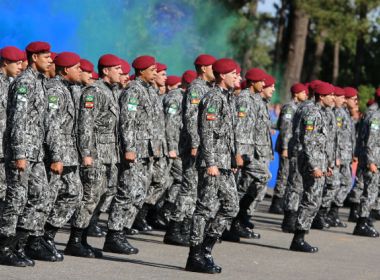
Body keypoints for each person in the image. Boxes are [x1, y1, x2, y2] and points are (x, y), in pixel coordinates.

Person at [0, 41, 62, 267]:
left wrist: (52, 155)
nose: (50, 59)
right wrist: (19, 153)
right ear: (34, 57)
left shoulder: (41, 84)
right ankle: (4, 246)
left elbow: (46, 123)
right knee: (16, 198)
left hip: (37, 152)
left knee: (41, 196)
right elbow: (17, 120)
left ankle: (19, 243)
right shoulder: (24, 83)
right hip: (23, 151)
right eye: (45, 56)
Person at [185, 58, 238, 274]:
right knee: (205, 208)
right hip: (212, 163)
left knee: (231, 206)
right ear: (223, 76)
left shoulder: (226, 97)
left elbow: (226, 133)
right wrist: (211, 162)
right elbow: (206, 131)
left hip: (224, 162)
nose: (237, 78)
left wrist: (232, 158)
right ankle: (194, 255)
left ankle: (206, 247)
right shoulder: (213, 98)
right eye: (234, 74)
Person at [67, 54, 122, 258]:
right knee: (89, 196)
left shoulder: (109, 91)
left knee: (100, 195)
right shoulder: (94, 91)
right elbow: (85, 124)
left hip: (108, 154)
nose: (121, 72)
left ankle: (83, 239)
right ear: (106, 71)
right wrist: (86, 153)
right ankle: (75, 240)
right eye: (117, 69)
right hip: (96, 153)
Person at [104, 55, 157, 254]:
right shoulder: (133, 91)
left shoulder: (148, 90)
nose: (154, 72)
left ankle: (123, 230)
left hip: (146, 150)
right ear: (141, 71)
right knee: (126, 192)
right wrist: (129, 148)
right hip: (134, 150)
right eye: (151, 69)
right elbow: (127, 121)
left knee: (139, 193)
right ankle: (114, 234)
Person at [165, 54, 216, 245]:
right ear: (203, 68)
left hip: (202, 146)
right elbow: (191, 118)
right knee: (188, 188)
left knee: (194, 189)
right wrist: (195, 143)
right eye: (212, 67)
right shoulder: (196, 88)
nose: (215, 71)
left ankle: (186, 226)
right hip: (194, 147)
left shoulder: (206, 88)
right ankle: (174, 228)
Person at [42, 52, 83, 262]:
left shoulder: (68, 89)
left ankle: (46, 234)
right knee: (48, 197)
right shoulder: (54, 90)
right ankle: (36, 238)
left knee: (74, 193)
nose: (81, 71)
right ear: (66, 69)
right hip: (55, 154)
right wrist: (56, 156)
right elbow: (52, 125)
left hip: (68, 153)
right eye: (77, 67)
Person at [290, 82, 335, 253]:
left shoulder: (320, 113)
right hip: (312, 163)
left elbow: (320, 143)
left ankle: (300, 236)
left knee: (314, 199)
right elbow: (308, 141)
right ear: (321, 96)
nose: (333, 98)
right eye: (330, 95)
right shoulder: (313, 114)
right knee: (311, 199)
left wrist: (327, 164)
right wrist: (315, 165)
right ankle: (298, 238)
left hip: (319, 161)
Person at [270, 83, 308, 214]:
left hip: (292, 146)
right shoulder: (290, 108)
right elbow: (285, 128)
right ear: (296, 94)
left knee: (290, 174)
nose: (306, 95)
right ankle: (276, 202)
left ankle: (284, 201)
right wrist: (285, 147)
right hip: (286, 146)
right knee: (284, 174)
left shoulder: (298, 108)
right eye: (303, 92)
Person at [0, 46, 24, 205]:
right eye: (16, 63)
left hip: (5, 147)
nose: (20, 67)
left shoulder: (11, 84)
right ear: (5, 62)